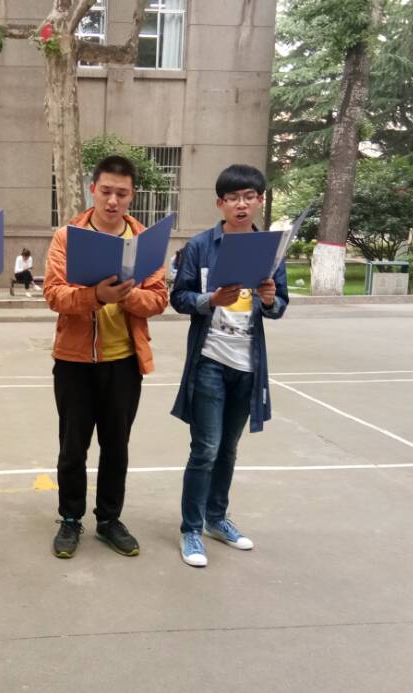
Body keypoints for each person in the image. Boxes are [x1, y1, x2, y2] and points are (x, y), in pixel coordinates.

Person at [43, 155, 168, 559]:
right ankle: (70, 519)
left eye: (122, 193)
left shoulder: (145, 240)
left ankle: (109, 520)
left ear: (132, 195)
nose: (113, 201)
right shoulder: (68, 237)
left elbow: (158, 299)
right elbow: (54, 294)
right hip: (74, 360)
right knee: (72, 447)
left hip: (124, 361)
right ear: (92, 189)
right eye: (107, 191)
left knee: (116, 446)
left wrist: (126, 296)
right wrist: (96, 295)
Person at [170, 164, 289, 568]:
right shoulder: (201, 246)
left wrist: (269, 299)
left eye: (249, 197)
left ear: (260, 201)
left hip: (248, 365)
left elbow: (279, 305)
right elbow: (180, 297)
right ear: (220, 203)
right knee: (205, 447)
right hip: (210, 360)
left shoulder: (271, 249)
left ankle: (216, 519)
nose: (241, 204)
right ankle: (191, 528)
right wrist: (210, 300)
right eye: (233, 198)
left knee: (228, 448)